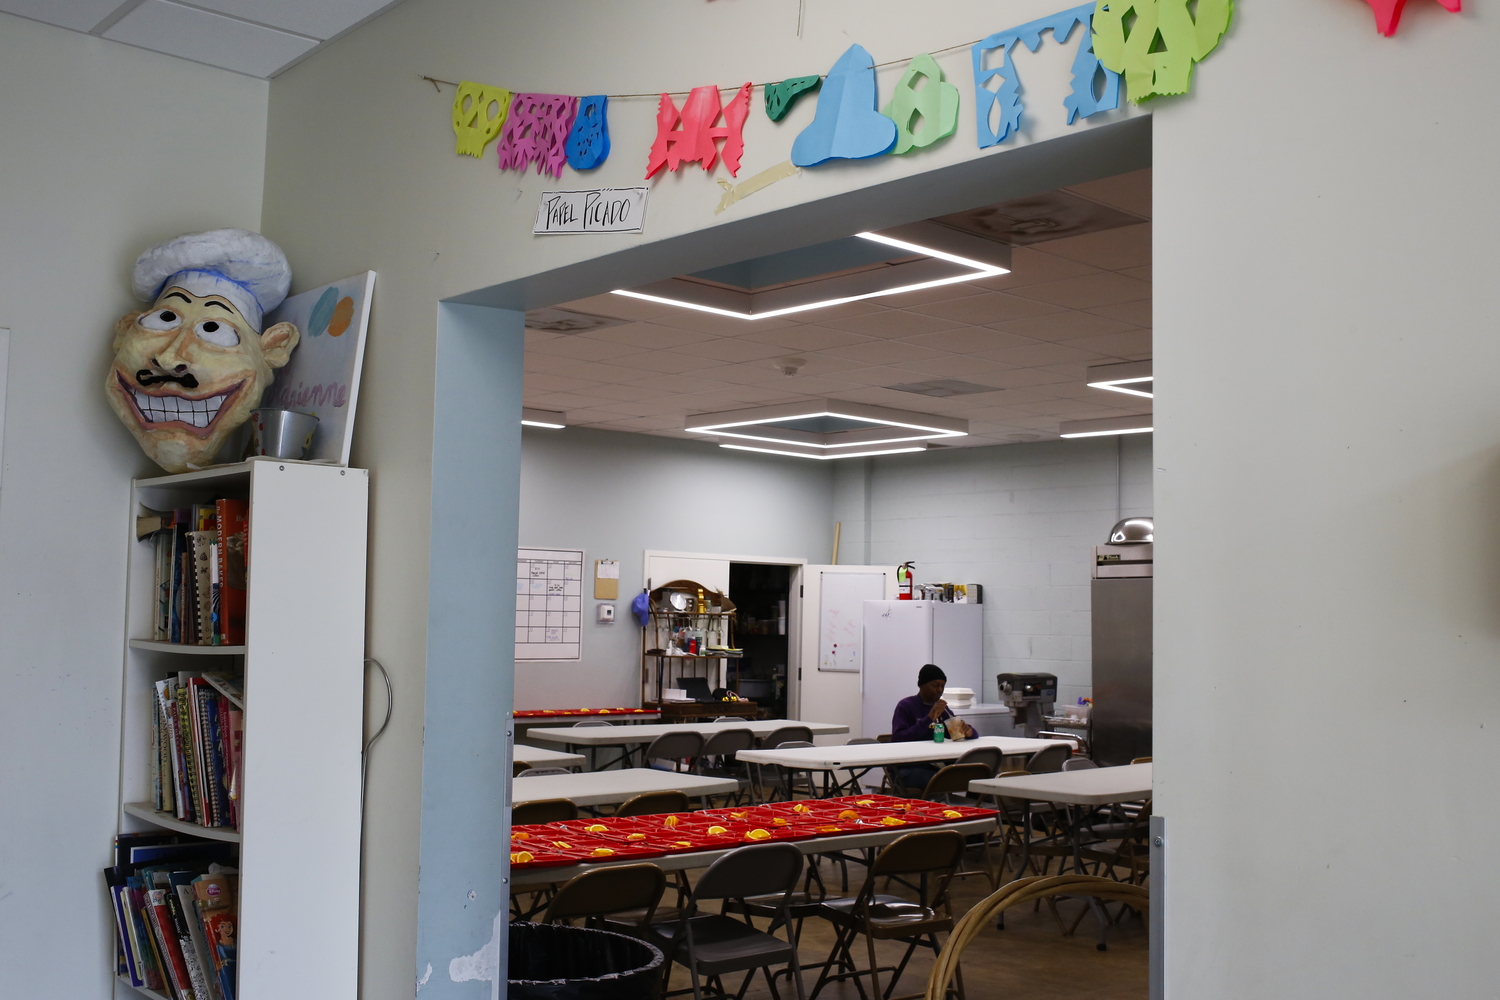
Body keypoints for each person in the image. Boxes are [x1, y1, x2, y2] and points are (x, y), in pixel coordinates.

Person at [889, 664, 972, 793]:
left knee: (975, 776)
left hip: (934, 763)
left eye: (942, 686)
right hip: (909, 767)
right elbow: (898, 739)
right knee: (939, 778)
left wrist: (968, 732)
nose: (939, 690)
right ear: (922, 685)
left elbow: (956, 733)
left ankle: (974, 806)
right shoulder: (905, 706)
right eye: (935, 685)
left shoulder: (942, 709)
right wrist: (929, 718)